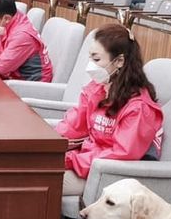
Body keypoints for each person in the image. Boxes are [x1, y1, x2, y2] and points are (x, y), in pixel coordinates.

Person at [56, 23, 163, 195]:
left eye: (96, 59)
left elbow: (120, 155)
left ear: (119, 61)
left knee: (34, 182)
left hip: (105, 175)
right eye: (90, 58)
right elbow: (74, 125)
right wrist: (48, 145)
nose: (90, 65)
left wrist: (71, 160)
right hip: (85, 161)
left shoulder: (139, 108)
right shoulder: (98, 87)